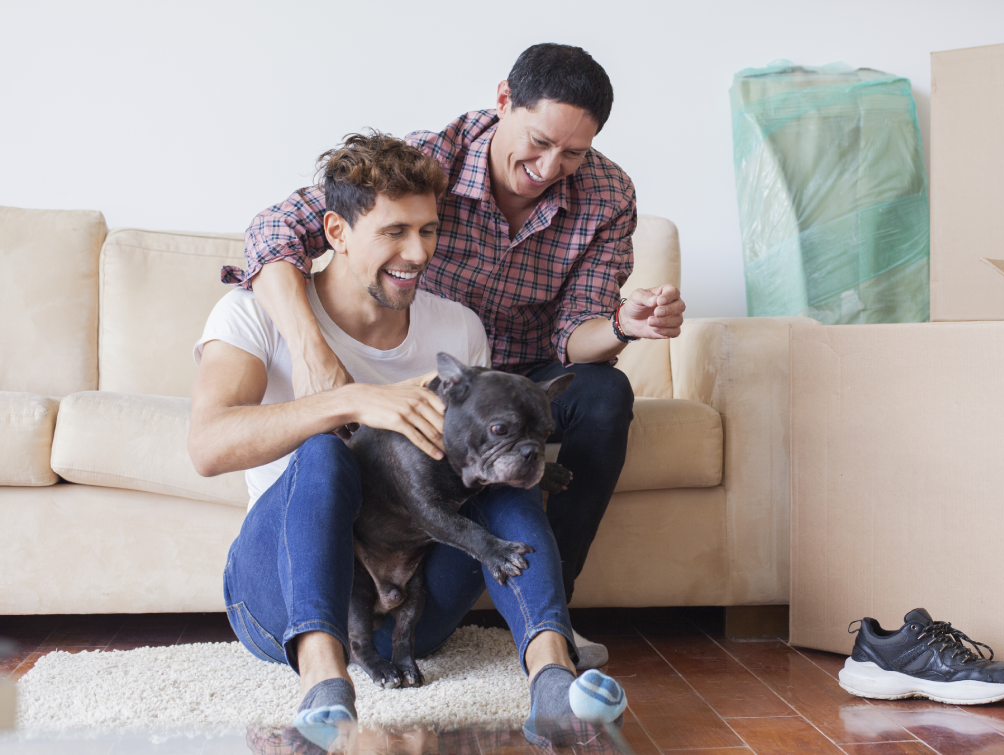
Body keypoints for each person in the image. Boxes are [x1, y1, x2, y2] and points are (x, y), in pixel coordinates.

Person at [226, 43, 686, 670]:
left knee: (594, 402)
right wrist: (317, 363)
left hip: (519, 380)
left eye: (573, 154)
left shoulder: (606, 197)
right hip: (447, 387)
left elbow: (573, 334)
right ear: (503, 101)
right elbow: (274, 231)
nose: (551, 167)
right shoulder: (424, 163)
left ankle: (550, 623)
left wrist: (621, 325)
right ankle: (327, 670)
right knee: (336, 454)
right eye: (539, 141)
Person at [190, 131, 624, 750]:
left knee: (502, 465)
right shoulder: (250, 314)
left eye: (428, 231)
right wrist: (349, 401)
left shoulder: (458, 328)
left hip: (416, 605)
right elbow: (206, 447)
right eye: (394, 232)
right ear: (337, 233)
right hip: (282, 598)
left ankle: (552, 676)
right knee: (324, 450)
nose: (417, 252)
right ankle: (326, 684)